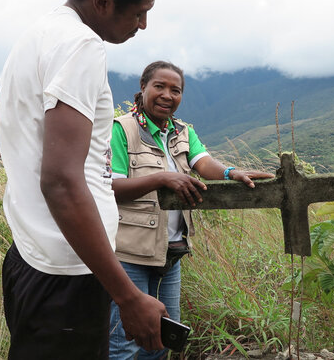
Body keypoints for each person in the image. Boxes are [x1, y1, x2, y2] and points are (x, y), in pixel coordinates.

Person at [0, 0, 168, 358]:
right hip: (67, 276)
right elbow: (60, 182)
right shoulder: (80, 47)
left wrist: (27, 156)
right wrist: (129, 297)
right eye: (139, 11)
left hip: (31, 259)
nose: (143, 24)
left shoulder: (38, 37)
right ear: (103, 1)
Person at [108, 61, 274, 359]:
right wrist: (162, 178)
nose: (167, 95)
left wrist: (230, 172)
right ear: (143, 87)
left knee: (161, 339)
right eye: (159, 86)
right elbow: (113, 187)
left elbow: (204, 163)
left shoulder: (183, 132)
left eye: (176, 90)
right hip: (129, 254)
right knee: (124, 342)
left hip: (171, 253)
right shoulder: (122, 130)